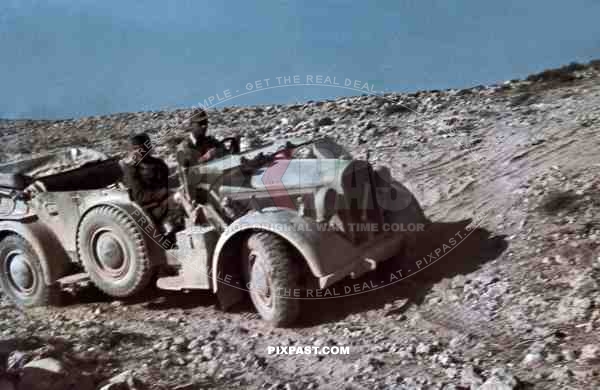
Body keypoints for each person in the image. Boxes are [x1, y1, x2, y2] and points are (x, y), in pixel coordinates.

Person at [120, 133, 170, 223]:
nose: (140, 152)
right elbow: (139, 196)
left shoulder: (159, 164)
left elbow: (165, 184)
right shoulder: (130, 169)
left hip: (163, 202)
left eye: (144, 148)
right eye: (136, 149)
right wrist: (160, 195)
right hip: (146, 211)